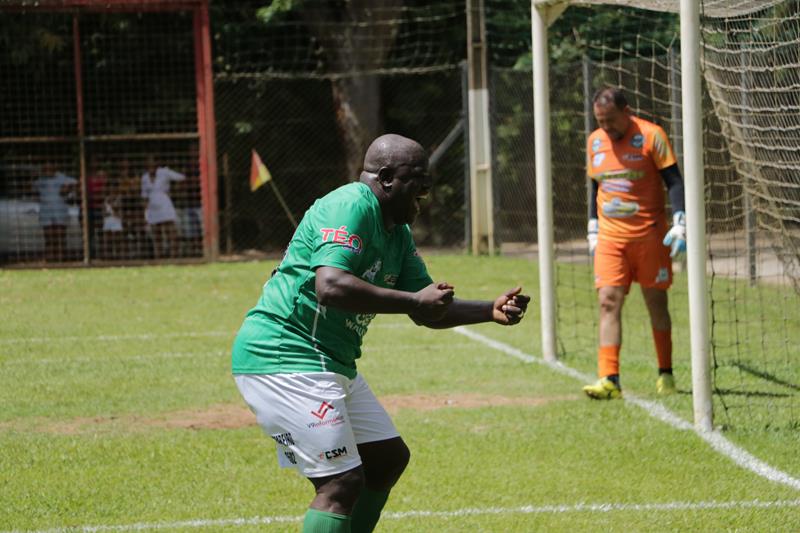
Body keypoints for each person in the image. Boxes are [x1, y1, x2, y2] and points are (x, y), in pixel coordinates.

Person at [231, 134, 530, 533]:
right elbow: (331, 286)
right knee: (340, 482)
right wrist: (414, 301)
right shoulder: (351, 205)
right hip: (285, 355)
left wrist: (488, 310)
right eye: (418, 181)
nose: (426, 192)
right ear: (387, 178)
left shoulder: (397, 233)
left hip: (327, 361)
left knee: (387, 459)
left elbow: (426, 308)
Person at [583, 87, 686, 400]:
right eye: (600, 121)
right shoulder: (595, 141)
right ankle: (609, 379)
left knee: (656, 303)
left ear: (627, 111)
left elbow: (674, 181)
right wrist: (593, 228)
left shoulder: (652, 136)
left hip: (649, 236)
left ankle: (665, 372)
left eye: (611, 120)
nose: (606, 127)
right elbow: (596, 186)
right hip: (610, 239)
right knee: (607, 301)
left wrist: (681, 220)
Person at [140, 156, 185, 259]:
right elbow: (144, 196)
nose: (151, 166)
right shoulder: (144, 178)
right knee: (157, 234)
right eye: (148, 164)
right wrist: (146, 213)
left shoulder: (164, 172)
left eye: (153, 163)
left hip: (165, 205)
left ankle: (174, 257)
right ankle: (158, 258)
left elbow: (181, 177)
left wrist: (175, 190)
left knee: (171, 231)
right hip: (152, 208)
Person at [33, 163, 77, 262]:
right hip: (46, 211)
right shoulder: (40, 180)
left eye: (49, 168)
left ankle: (61, 259)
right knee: (48, 237)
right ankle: (50, 259)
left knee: (60, 236)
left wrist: (68, 188)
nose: (47, 171)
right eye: (45, 169)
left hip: (60, 210)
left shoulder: (62, 178)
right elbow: (32, 189)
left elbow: (75, 182)